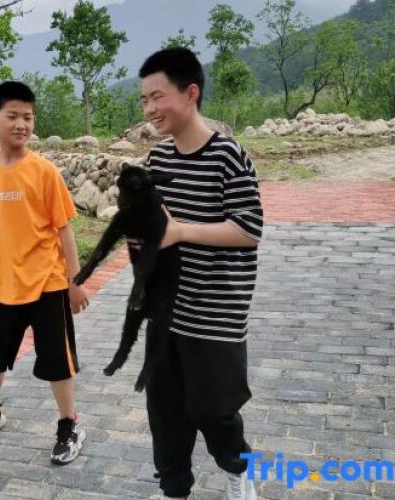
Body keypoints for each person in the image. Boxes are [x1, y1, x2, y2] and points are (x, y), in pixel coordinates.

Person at [138, 47, 263, 499]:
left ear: (191, 93)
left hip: (216, 313)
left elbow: (248, 229)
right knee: (165, 412)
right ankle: (174, 489)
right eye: (144, 100)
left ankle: (239, 471)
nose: (150, 109)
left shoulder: (228, 156)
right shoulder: (158, 159)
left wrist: (181, 231)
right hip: (166, 312)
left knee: (215, 409)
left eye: (158, 96)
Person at [0, 80, 89, 465]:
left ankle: (69, 424)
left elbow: (64, 228)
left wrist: (75, 282)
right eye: (12, 116)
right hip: (4, 286)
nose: (21, 124)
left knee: (57, 360)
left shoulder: (44, 172)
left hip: (47, 283)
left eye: (28, 117)